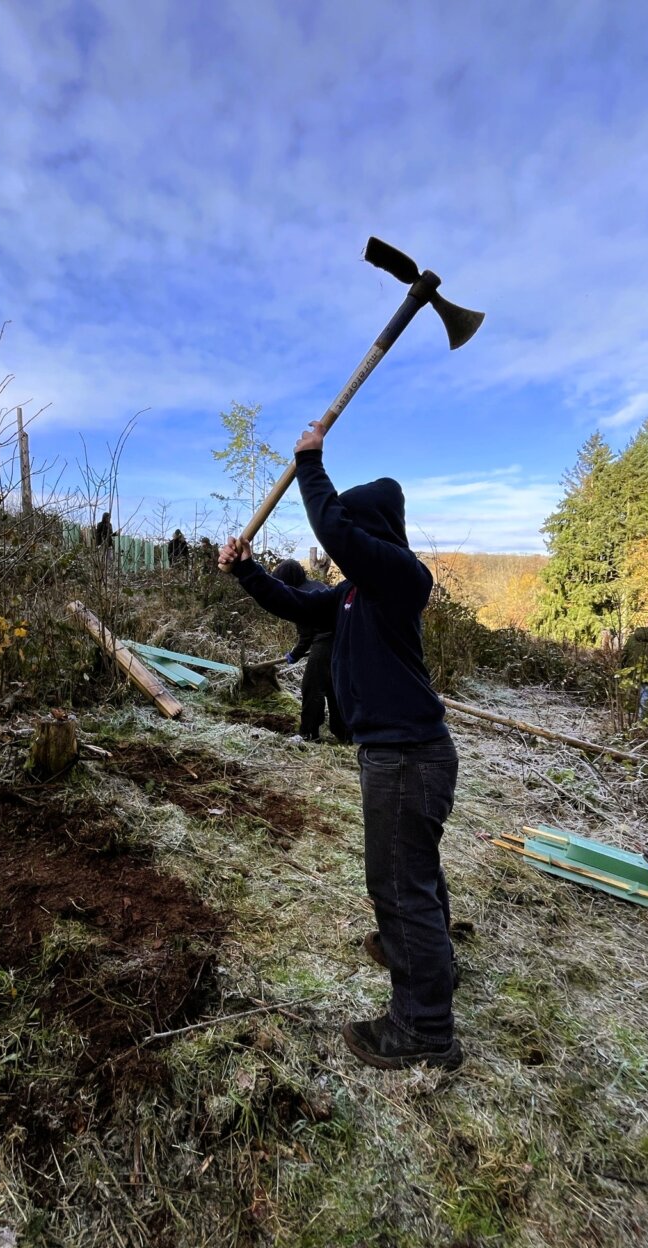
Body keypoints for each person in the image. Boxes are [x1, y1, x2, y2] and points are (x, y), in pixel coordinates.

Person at [220, 421, 461, 1072]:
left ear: (370, 529)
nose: (337, 551)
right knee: (414, 873)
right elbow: (292, 599)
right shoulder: (355, 595)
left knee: (397, 882)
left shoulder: (400, 577)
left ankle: (425, 1027)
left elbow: (334, 530)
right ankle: (425, 951)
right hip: (402, 754)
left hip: (408, 756)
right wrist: (246, 572)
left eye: (349, 533)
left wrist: (309, 464)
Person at [272, 558, 348, 743]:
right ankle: (344, 734)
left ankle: (308, 733)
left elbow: (306, 636)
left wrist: (294, 655)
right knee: (332, 687)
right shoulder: (316, 585)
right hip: (343, 639)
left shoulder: (299, 595)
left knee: (312, 686)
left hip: (326, 639)